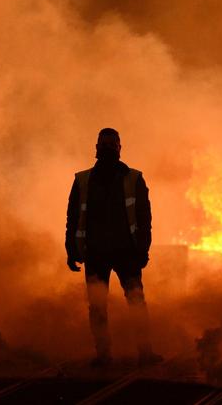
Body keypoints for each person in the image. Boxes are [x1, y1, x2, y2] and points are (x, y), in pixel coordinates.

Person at [65, 128, 162, 367]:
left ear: (118, 148)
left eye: (111, 144)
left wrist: (142, 249)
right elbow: (73, 216)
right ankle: (107, 355)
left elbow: (143, 217)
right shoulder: (83, 180)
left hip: (124, 252)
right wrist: (71, 249)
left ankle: (141, 352)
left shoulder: (133, 178)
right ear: (97, 149)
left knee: (133, 301)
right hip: (99, 253)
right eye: (105, 144)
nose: (108, 148)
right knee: (106, 305)